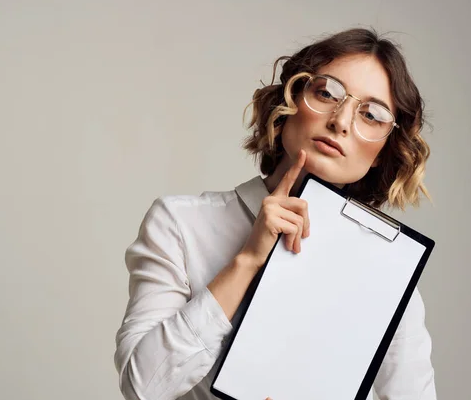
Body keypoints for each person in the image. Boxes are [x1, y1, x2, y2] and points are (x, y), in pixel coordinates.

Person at [113, 27, 436, 400]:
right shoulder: (181, 223)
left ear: (382, 151)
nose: (341, 121)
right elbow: (142, 388)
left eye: (373, 115)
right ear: (290, 99)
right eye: (327, 93)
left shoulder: (389, 273)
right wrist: (248, 259)